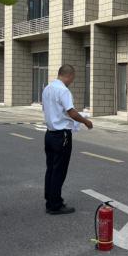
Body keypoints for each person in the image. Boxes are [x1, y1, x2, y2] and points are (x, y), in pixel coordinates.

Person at [42, 64, 93, 215]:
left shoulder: (47, 88)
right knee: (59, 170)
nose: (72, 81)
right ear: (69, 75)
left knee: (51, 168)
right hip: (61, 135)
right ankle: (55, 205)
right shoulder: (63, 90)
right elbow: (71, 112)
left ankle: (50, 199)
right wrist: (86, 121)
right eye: (73, 78)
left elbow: (46, 109)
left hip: (50, 134)